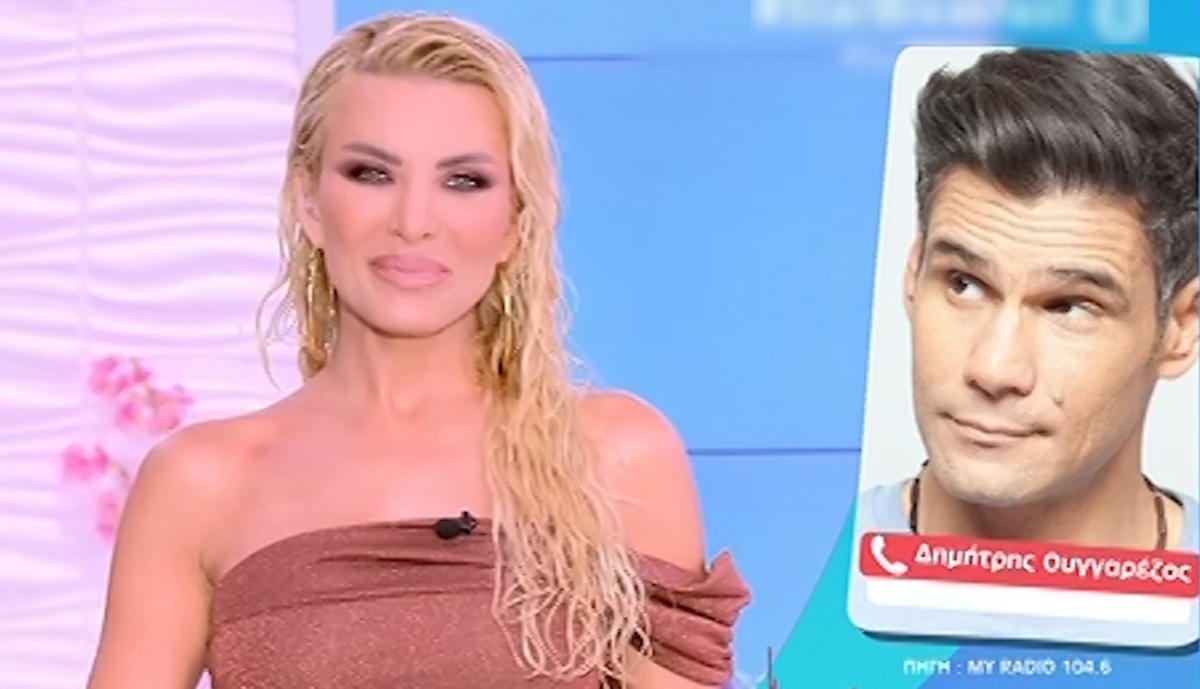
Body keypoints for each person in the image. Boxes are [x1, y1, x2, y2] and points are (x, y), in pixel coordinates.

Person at [86, 13, 749, 689]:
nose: (413, 221)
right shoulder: (200, 483)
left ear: (515, 222)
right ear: (308, 200)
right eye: (372, 173)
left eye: (463, 181)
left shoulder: (617, 457)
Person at [859, 49, 1199, 551]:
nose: (994, 369)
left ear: (1181, 327)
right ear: (914, 272)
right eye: (964, 283)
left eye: (1069, 306)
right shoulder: (805, 569)